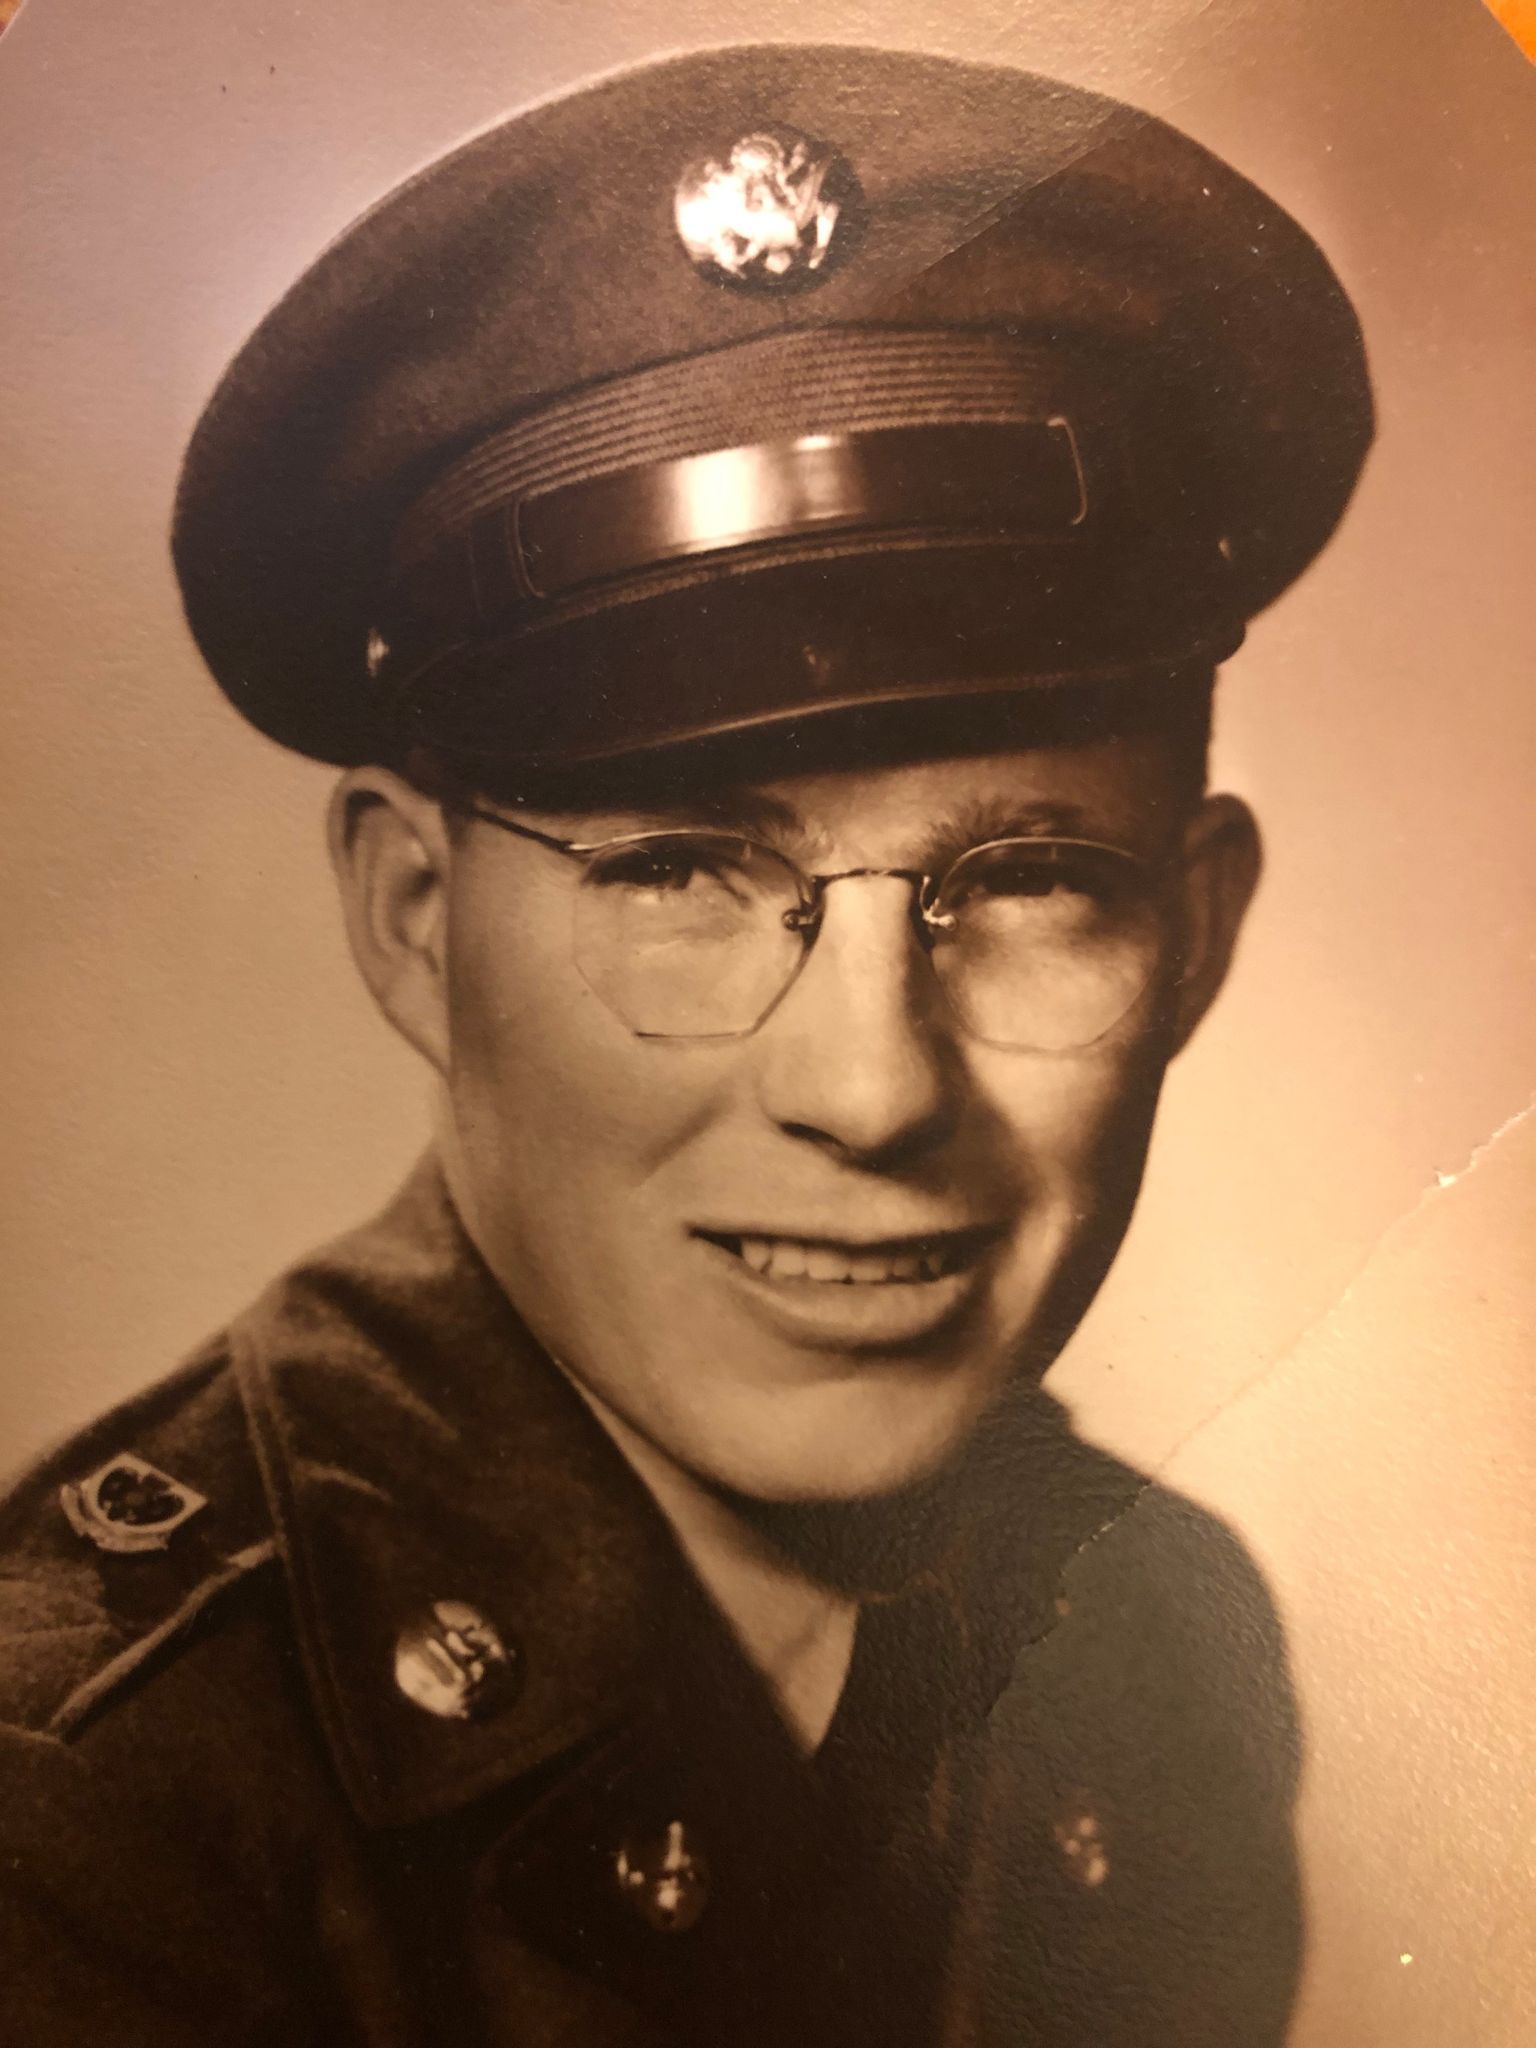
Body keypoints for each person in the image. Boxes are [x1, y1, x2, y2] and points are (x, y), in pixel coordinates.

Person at [0, 42, 1372, 2048]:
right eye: (681, 871)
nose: (871, 1090)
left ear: (1197, 935)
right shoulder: (79, 1807)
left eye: (1029, 882)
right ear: (414, 923)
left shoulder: (1159, 1647)